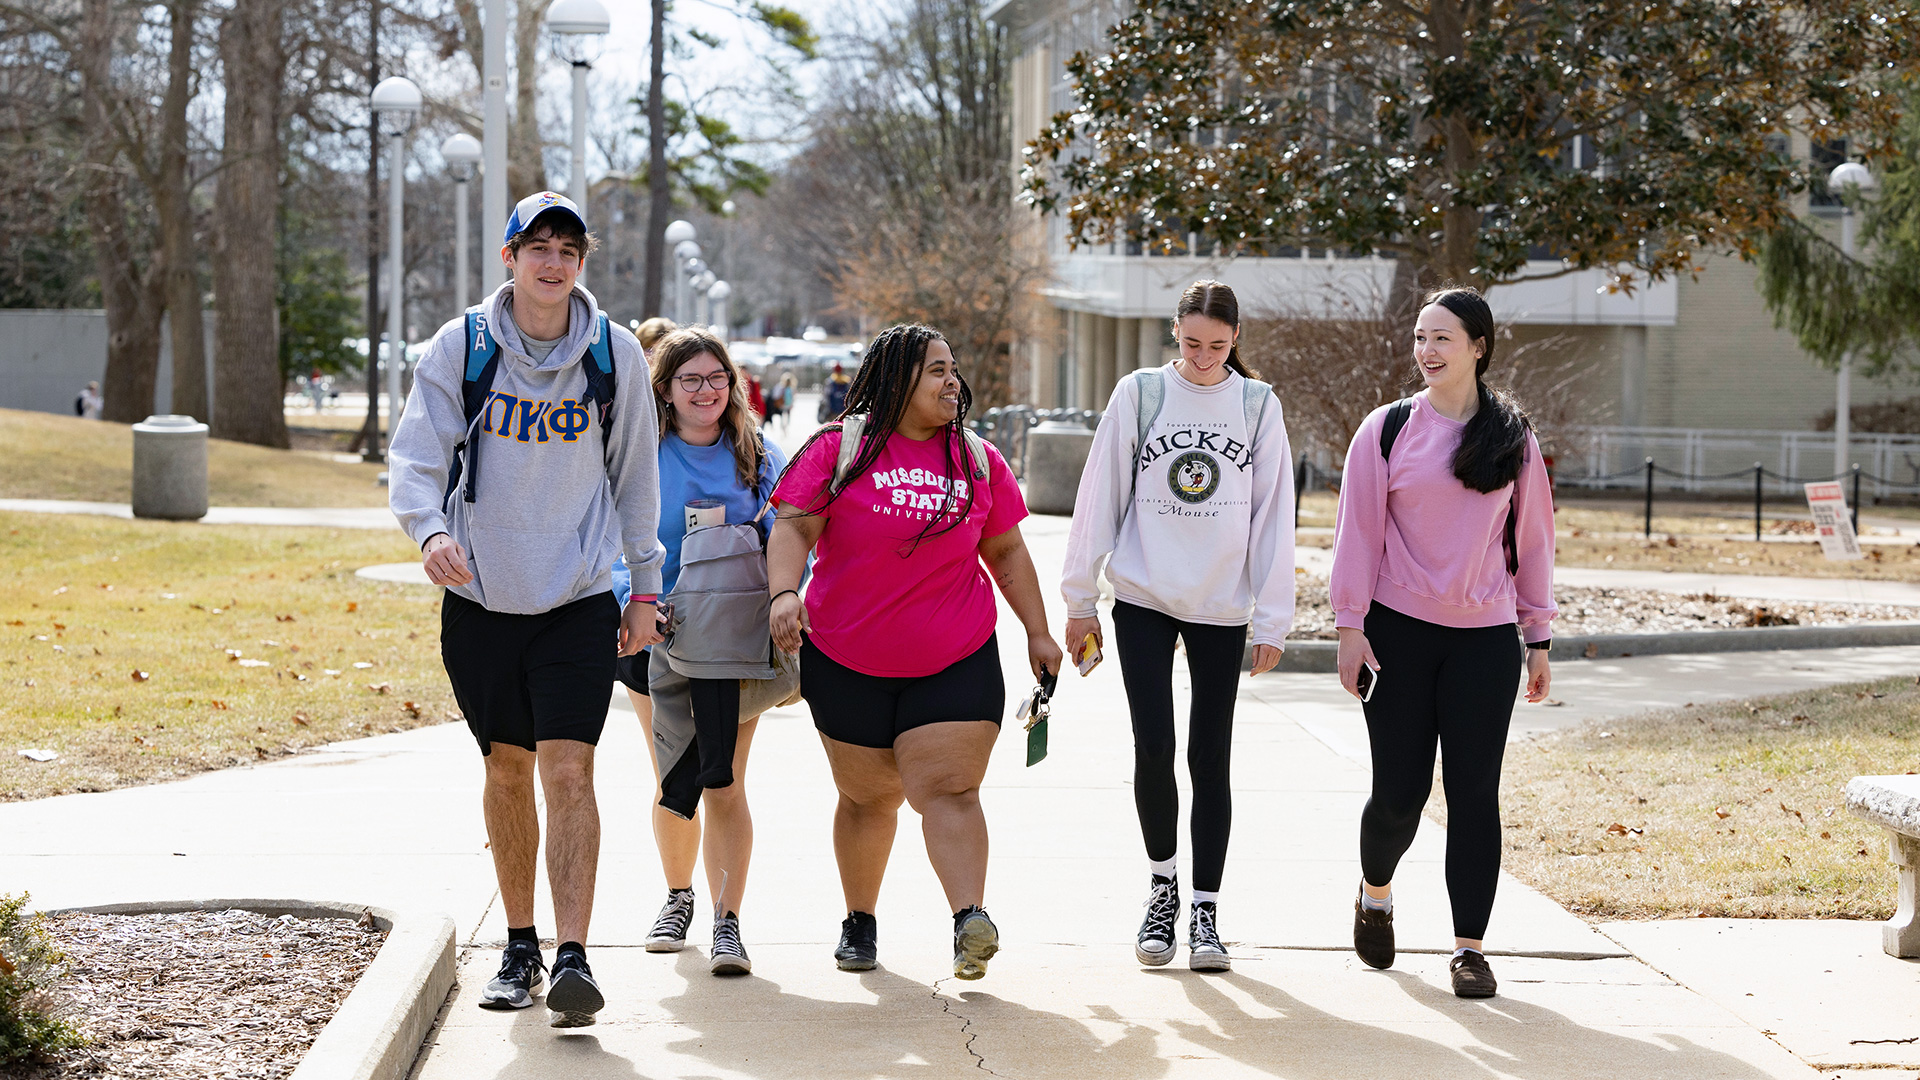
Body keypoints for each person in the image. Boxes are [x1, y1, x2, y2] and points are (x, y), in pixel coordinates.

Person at [388, 190, 664, 1028]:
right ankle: (519, 947)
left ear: (582, 265)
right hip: (479, 594)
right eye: (537, 247)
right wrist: (429, 532)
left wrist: (644, 588)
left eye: (568, 251)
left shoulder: (611, 355)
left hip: (577, 597)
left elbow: (636, 478)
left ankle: (574, 956)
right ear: (509, 258)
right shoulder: (461, 347)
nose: (552, 263)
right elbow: (416, 454)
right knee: (506, 770)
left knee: (569, 768)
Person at [767, 324, 1063, 979]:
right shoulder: (839, 450)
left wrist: (1037, 630)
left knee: (951, 790)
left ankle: (968, 921)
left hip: (956, 654)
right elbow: (794, 525)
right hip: (847, 659)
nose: (952, 381)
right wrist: (784, 594)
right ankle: (861, 921)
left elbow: (1006, 550)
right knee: (868, 798)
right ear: (897, 379)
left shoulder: (978, 460)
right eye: (936, 370)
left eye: (953, 368)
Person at [1060, 279, 1295, 973]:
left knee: (1209, 757)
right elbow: (1099, 493)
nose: (1201, 357)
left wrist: (1272, 618)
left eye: (1217, 346)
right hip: (1144, 597)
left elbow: (1273, 515)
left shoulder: (1257, 405)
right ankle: (1162, 889)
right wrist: (1079, 599)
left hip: (1222, 607)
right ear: (1176, 332)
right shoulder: (1140, 393)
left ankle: (1207, 913)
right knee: (1154, 745)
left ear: (1236, 340)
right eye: (1191, 343)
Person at [1330, 285, 1556, 1000]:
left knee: (1474, 795)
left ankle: (1469, 949)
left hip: (1483, 643)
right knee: (1399, 795)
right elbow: (1357, 533)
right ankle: (1375, 891)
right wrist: (1348, 626)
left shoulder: (1514, 440)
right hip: (1397, 637)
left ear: (1478, 348)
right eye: (1421, 337)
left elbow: (1534, 542)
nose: (1426, 351)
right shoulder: (1388, 429)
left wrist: (1538, 635)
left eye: (1442, 339)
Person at [622, 326, 787, 976]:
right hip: (651, 632)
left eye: (716, 378)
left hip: (733, 638)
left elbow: (789, 535)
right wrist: (630, 599)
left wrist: (784, 597)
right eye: (690, 378)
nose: (705, 390)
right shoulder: (642, 453)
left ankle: (728, 921)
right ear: (664, 387)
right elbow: (613, 534)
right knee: (672, 777)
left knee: (726, 779)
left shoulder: (758, 453)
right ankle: (677, 896)